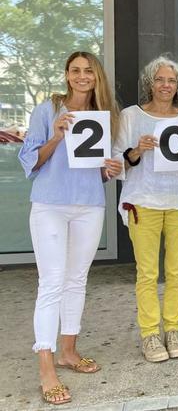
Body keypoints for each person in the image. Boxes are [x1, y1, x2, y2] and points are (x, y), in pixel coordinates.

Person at [19, 52, 122, 405]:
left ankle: (68, 351)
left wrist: (109, 169)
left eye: (88, 71)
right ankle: (46, 366)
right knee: (51, 282)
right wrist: (56, 136)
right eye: (75, 70)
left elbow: (97, 168)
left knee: (77, 279)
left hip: (89, 204)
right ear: (66, 74)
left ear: (96, 77)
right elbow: (30, 159)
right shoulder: (49, 109)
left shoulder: (104, 115)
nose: (82, 76)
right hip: (50, 203)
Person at [114, 57, 178, 362]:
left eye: (171, 80)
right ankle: (150, 334)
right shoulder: (131, 116)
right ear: (150, 83)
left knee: (177, 271)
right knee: (147, 272)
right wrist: (138, 149)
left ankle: (173, 330)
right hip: (144, 200)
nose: (166, 86)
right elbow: (118, 160)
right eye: (160, 80)